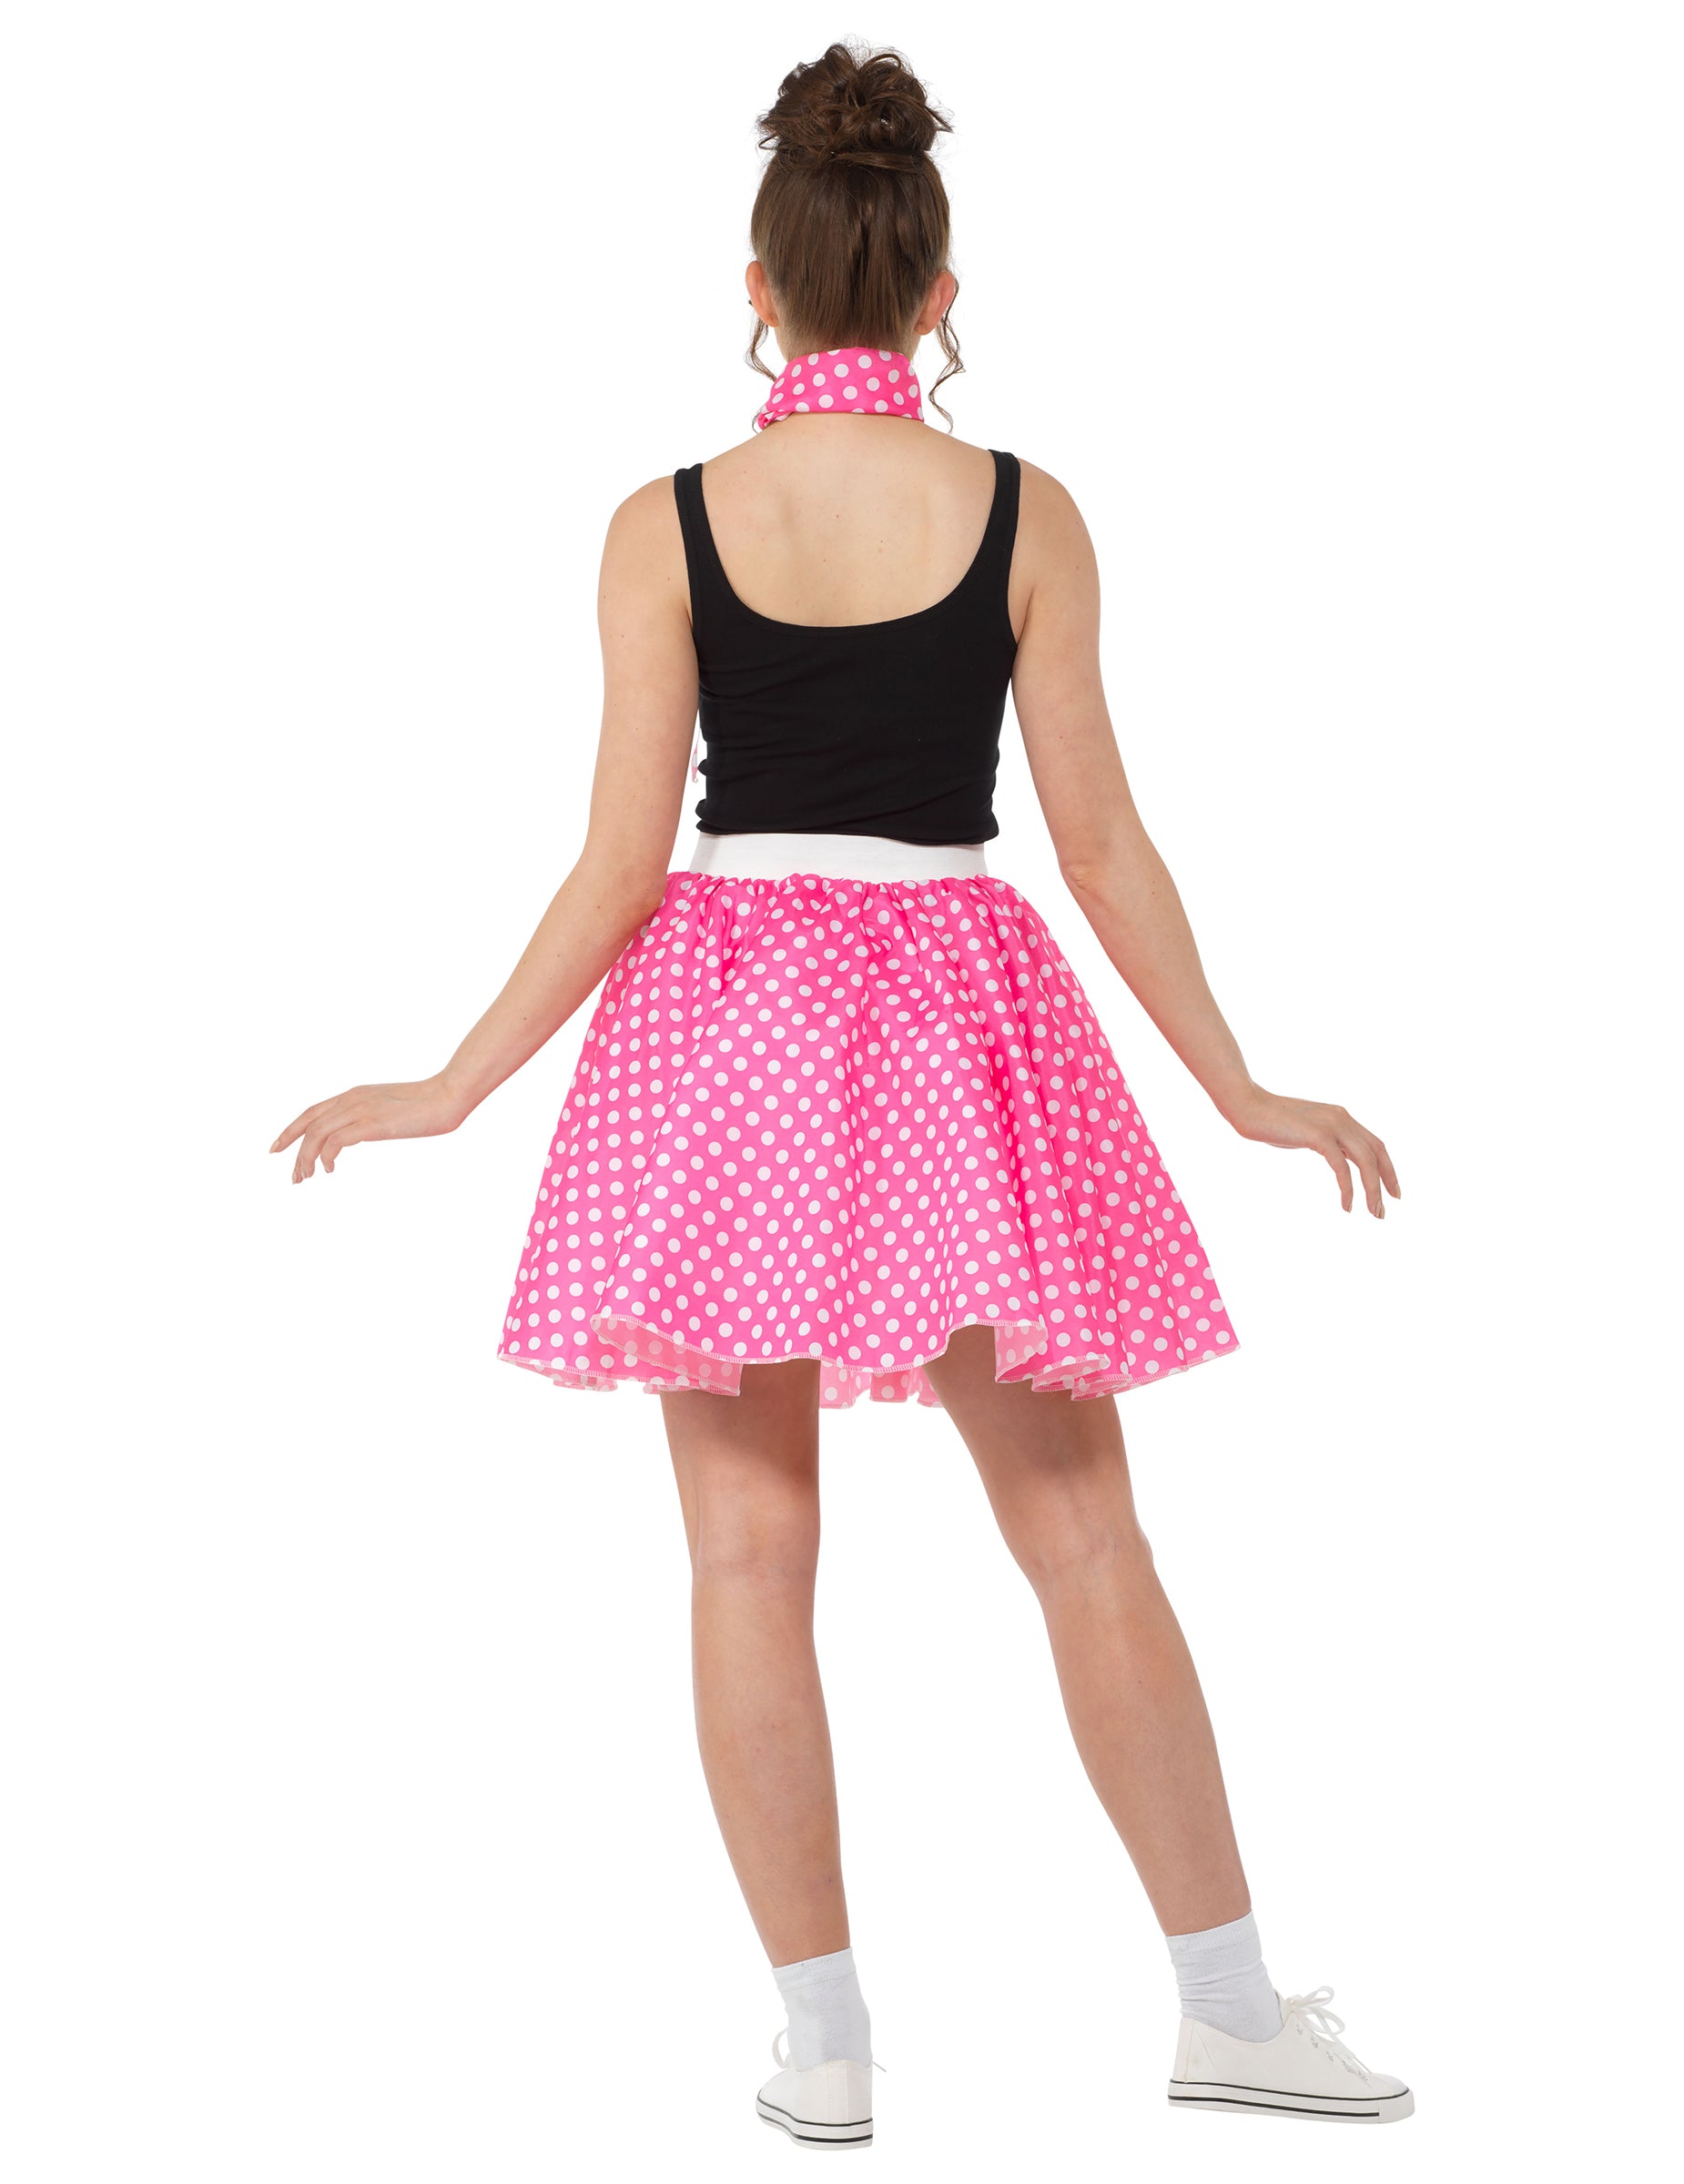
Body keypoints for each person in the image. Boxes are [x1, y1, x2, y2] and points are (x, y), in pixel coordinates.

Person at [272, 41, 1412, 2146]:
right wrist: (1241, 1088)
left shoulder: (666, 521)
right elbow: (1100, 848)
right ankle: (1231, 2012)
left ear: (759, 292)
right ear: (938, 288)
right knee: (1084, 1535)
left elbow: (620, 867)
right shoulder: (1025, 511)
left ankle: (824, 2051)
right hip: (959, 1020)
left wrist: (449, 1085)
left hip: (725, 1031)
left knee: (742, 1559)